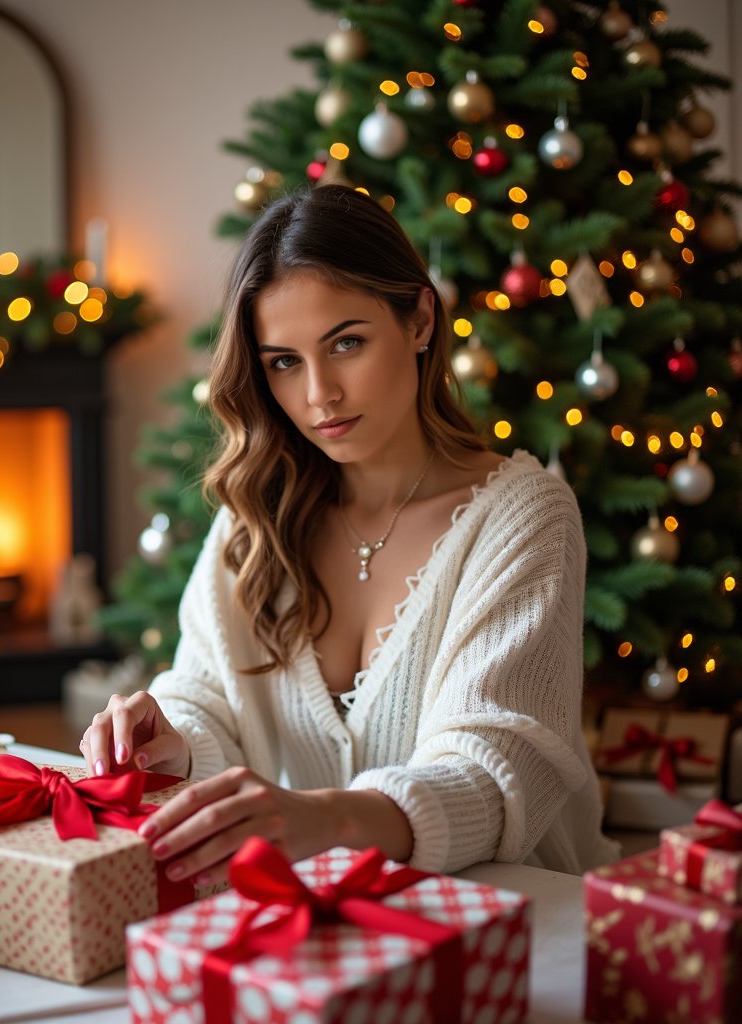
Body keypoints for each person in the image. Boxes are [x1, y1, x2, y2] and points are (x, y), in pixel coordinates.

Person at [81, 184, 618, 888]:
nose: (319, 395)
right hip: (327, 916)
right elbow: (205, 694)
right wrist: (169, 738)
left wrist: (327, 818)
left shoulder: (525, 514)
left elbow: (495, 776)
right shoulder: (257, 512)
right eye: (284, 361)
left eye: (347, 343)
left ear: (420, 318)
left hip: (517, 916)